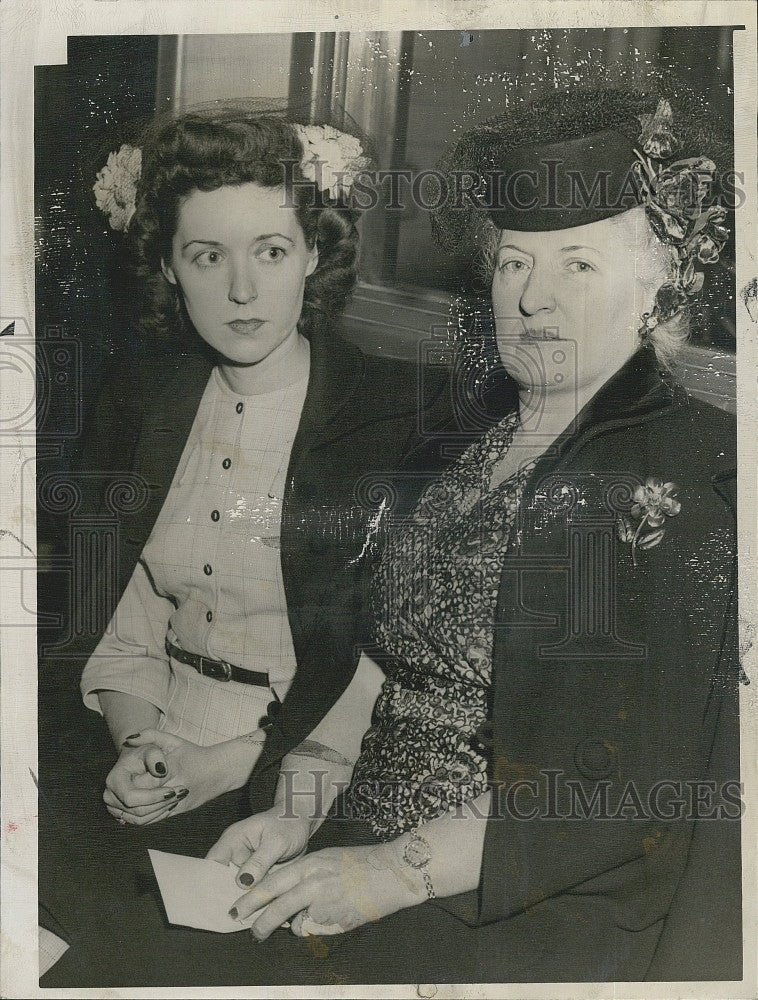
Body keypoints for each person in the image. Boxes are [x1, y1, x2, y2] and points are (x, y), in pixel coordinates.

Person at [40, 88, 742, 988]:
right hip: (355, 838)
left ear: (659, 286)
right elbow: (383, 667)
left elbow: (608, 792)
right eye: (514, 262)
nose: (532, 297)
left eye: (577, 266)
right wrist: (297, 804)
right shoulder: (480, 436)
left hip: (508, 904)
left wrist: (388, 871)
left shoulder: (667, 481)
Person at [40, 107, 453, 832]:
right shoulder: (137, 403)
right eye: (207, 256)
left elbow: (393, 674)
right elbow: (121, 635)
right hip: (145, 738)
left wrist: (232, 765)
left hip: (317, 773)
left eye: (269, 251)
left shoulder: (399, 421)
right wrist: (143, 751)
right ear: (169, 266)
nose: (242, 291)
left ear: (313, 254)